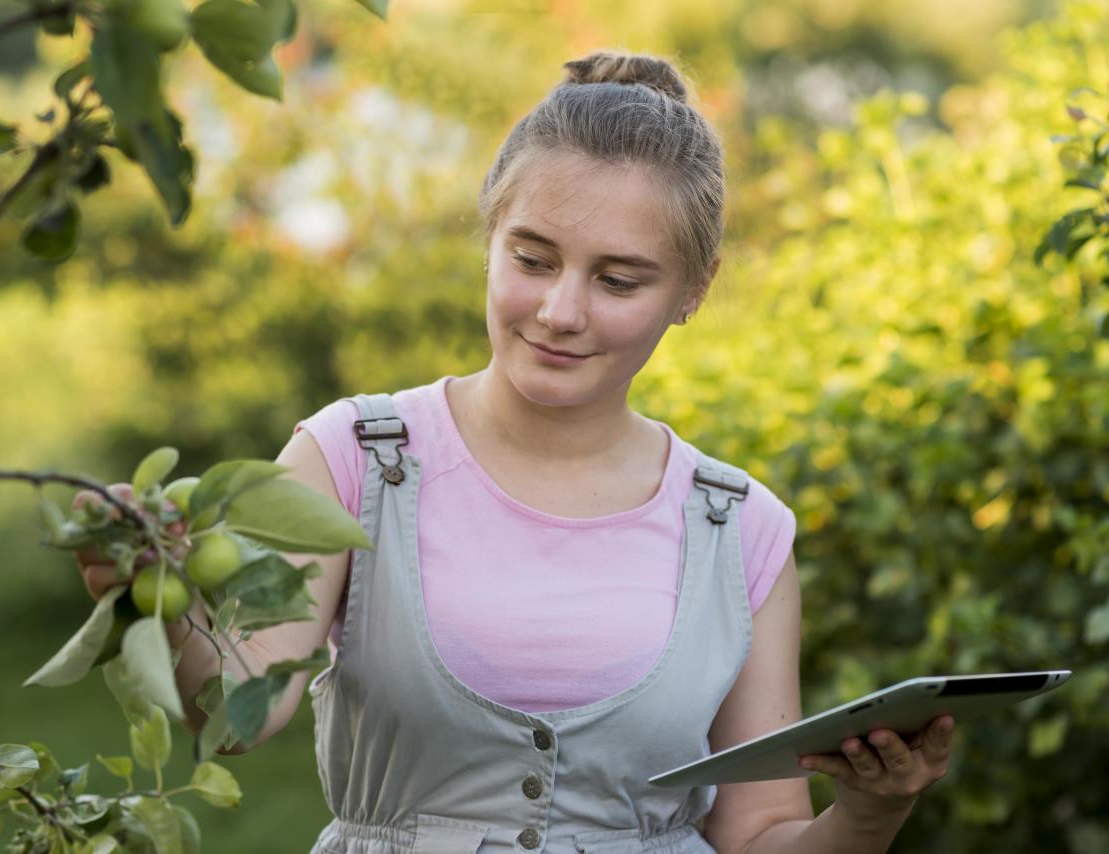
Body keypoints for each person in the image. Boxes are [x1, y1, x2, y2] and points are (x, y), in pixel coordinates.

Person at [79, 50, 955, 853]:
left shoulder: (741, 530)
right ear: (490, 235)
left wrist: (874, 808)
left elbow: (760, 833)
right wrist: (147, 595)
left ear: (694, 287)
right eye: (532, 259)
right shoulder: (354, 459)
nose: (560, 311)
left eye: (618, 280)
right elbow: (237, 711)